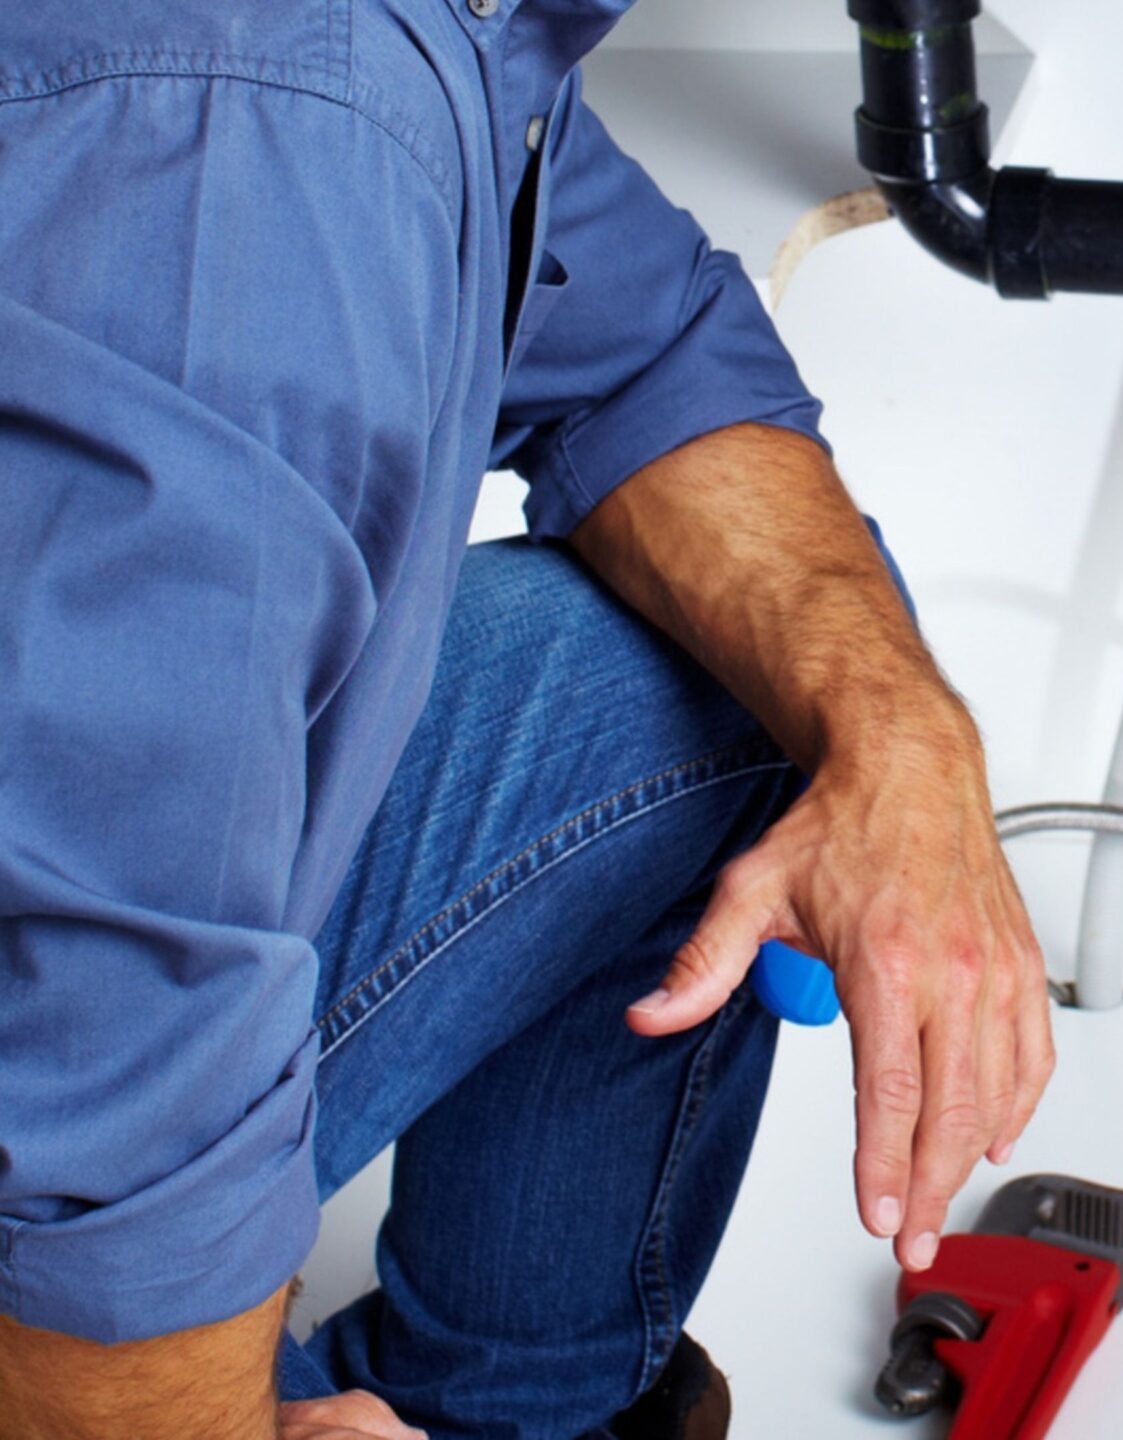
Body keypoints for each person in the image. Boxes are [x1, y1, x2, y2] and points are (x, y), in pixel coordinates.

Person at [0, 1, 1055, 1436]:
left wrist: (904, 742)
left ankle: (499, 1407)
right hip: (54, 1047)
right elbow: (95, 1101)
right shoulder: (246, 131)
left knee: (734, 676)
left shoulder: (419, 45)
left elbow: (651, 357)